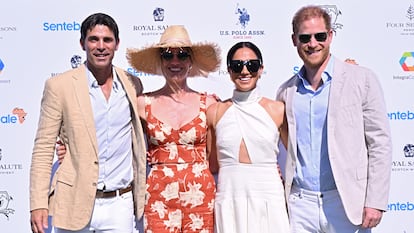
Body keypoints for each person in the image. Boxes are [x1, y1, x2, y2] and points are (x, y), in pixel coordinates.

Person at [276, 5, 392, 233]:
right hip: (300, 205)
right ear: (294, 40)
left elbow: (380, 143)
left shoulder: (362, 79)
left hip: (346, 202)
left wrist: (376, 201)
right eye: (305, 37)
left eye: (319, 36)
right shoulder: (286, 91)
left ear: (330, 36)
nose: (313, 43)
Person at [30, 13, 147, 233]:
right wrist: (38, 203)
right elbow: (43, 148)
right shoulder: (59, 86)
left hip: (119, 204)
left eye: (107, 40)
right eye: (93, 39)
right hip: (74, 200)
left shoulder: (132, 84)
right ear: (82, 43)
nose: (101, 46)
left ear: (117, 44)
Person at [126, 25, 220, 232]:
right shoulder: (142, 103)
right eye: (168, 55)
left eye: (182, 55)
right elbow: (110, 129)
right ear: (160, 61)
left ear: (190, 61)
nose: (175, 62)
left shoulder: (210, 103)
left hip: (200, 195)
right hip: (159, 196)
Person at [207, 41, 290, 233]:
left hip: (269, 196)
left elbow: (294, 160)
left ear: (261, 69)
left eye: (251, 65)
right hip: (229, 195)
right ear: (228, 71)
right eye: (237, 66)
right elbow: (212, 164)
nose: (244, 71)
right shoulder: (215, 112)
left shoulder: (278, 110)